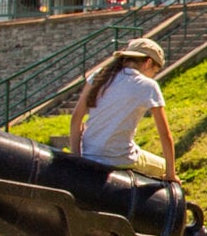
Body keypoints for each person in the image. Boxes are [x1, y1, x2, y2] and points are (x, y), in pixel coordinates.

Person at [68, 37, 176, 181]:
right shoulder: (148, 86)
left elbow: (76, 118)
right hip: (119, 157)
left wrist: (77, 157)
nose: (153, 75)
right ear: (148, 62)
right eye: (155, 71)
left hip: (89, 153)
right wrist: (171, 174)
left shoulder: (99, 76)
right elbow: (165, 134)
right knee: (162, 166)